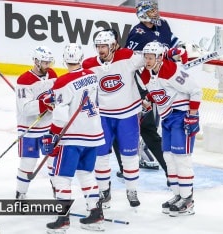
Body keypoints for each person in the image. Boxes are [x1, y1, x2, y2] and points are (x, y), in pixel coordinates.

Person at [116, 1, 187, 180]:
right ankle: (167, 174)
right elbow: (128, 62)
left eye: (156, 9)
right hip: (139, 85)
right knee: (144, 128)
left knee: (149, 128)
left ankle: (169, 172)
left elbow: (172, 41)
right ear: (143, 13)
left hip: (160, 83)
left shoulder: (163, 24)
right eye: (152, 10)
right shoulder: (137, 33)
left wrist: (182, 48)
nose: (156, 13)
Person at [43, 43, 105, 233]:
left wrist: (53, 134)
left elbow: (61, 115)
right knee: (86, 173)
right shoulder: (92, 75)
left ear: (64, 59)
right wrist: (55, 97)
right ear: (80, 59)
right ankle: (96, 214)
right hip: (93, 133)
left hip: (73, 137)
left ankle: (63, 219)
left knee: (61, 177)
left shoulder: (61, 82)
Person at [82, 30, 145, 208]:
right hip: (102, 116)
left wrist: (171, 53)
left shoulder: (126, 56)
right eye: (98, 46)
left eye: (104, 46)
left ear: (112, 46)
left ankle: (131, 190)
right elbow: (77, 83)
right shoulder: (89, 64)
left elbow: (150, 57)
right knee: (100, 155)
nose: (101, 50)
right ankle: (104, 191)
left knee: (130, 156)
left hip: (128, 115)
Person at [141, 41, 201, 216]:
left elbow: (196, 91)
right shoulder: (146, 74)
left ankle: (187, 199)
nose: (147, 60)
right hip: (166, 118)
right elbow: (160, 92)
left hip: (181, 116)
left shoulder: (172, 70)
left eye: (151, 57)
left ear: (159, 57)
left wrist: (192, 115)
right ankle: (178, 195)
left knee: (181, 159)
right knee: (168, 157)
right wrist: (148, 101)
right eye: (146, 57)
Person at [15, 46, 58, 199]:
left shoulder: (52, 74)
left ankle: (58, 191)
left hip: (49, 128)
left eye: (49, 62)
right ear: (36, 61)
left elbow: (57, 95)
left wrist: (56, 103)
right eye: (45, 62)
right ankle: (21, 194)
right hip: (29, 129)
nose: (48, 66)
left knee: (54, 162)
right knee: (28, 163)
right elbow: (25, 108)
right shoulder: (24, 80)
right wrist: (45, 104)